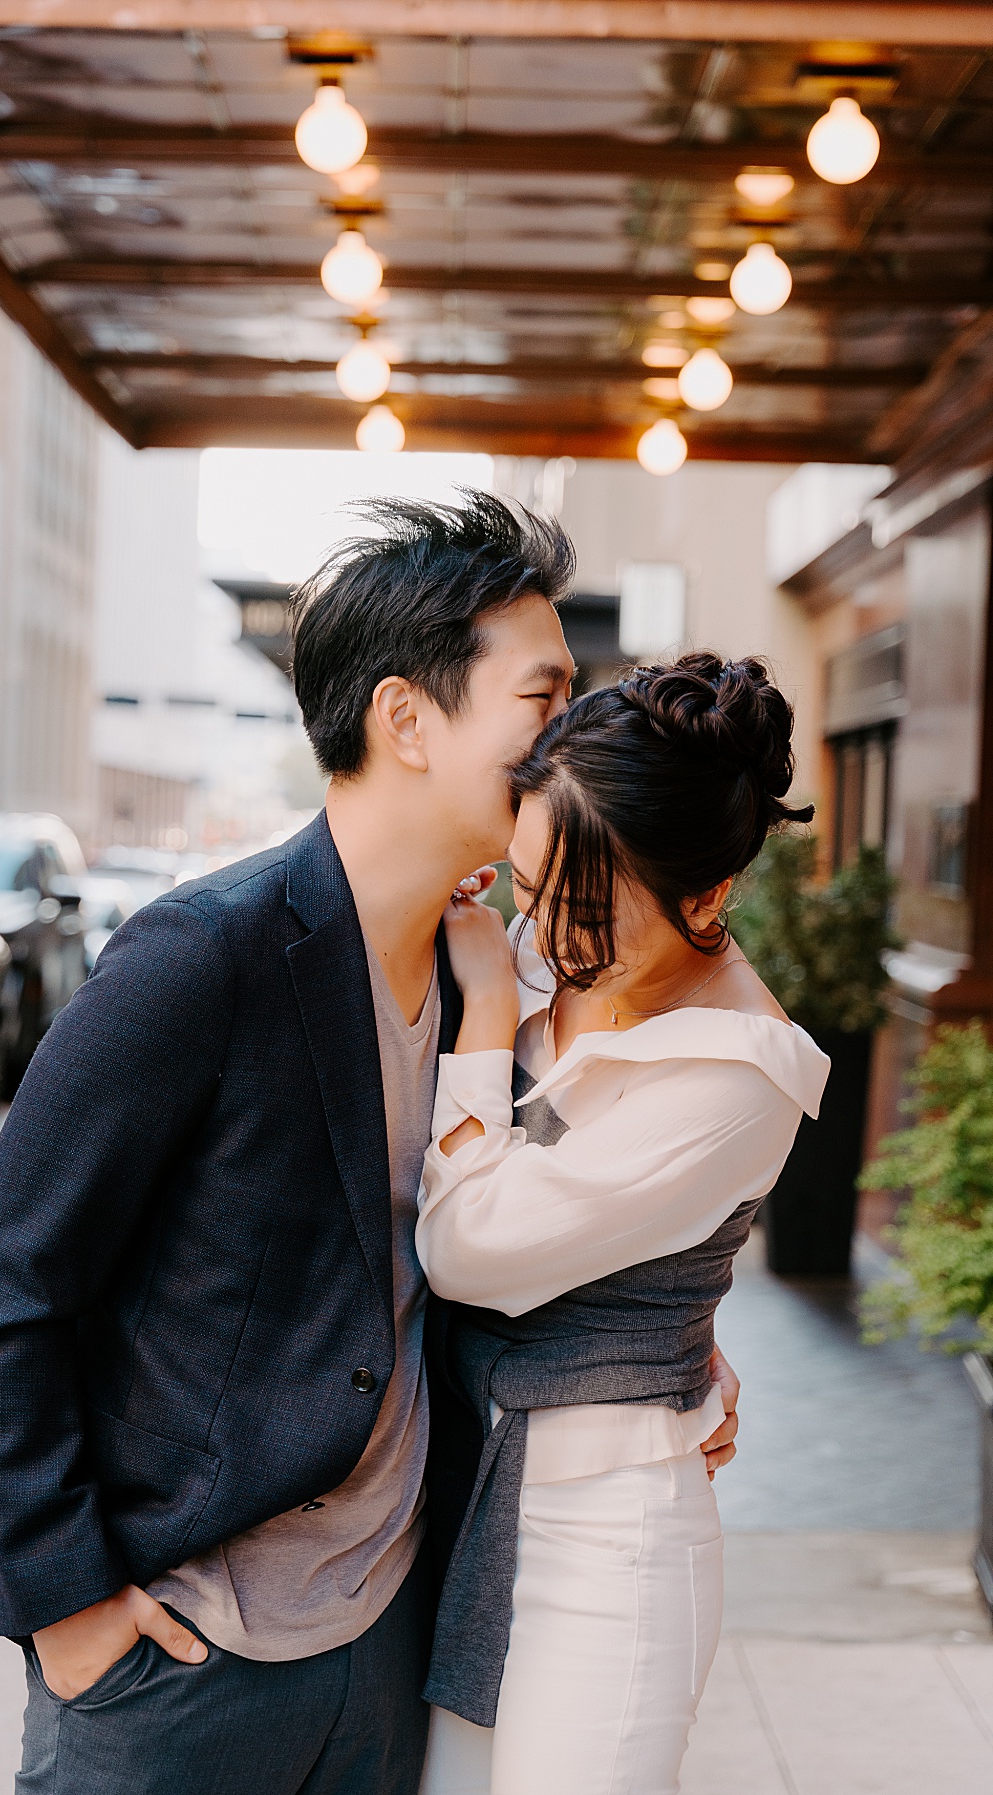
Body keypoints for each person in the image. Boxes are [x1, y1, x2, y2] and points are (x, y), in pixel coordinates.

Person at [0, 492, 740, 1795]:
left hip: (383, 1639)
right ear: (407, 719)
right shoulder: (204, 954)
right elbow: (13, 1276)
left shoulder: (488, 971)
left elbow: (516, 1226)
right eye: (540, 703)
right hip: (183, 1651)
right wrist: (69, 1603)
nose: (568, 746)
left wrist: (672, 1345)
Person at [416, 654, 827, 1795]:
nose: (540, 929)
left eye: (580, 908)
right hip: (479, 1491)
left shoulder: (739, 1071)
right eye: (531, 883)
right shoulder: (564, 956)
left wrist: (488, 1018)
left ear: (708, 895)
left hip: (609, 1550)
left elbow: (466, 1249)